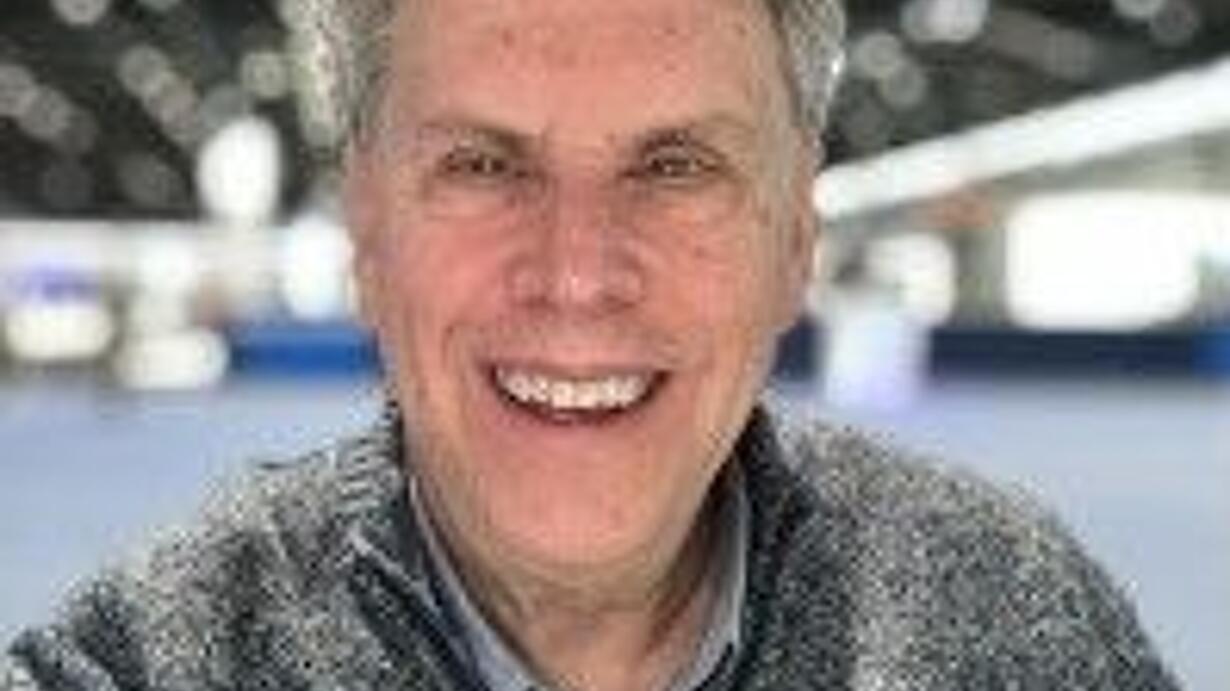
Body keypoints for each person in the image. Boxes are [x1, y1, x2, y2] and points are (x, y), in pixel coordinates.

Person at [3, 0, 1180, 689]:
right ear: (367, 229)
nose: (576, 276)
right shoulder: (150, 661)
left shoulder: (1014, 622)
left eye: (675, 166)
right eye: (482, 163)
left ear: (795, 236)